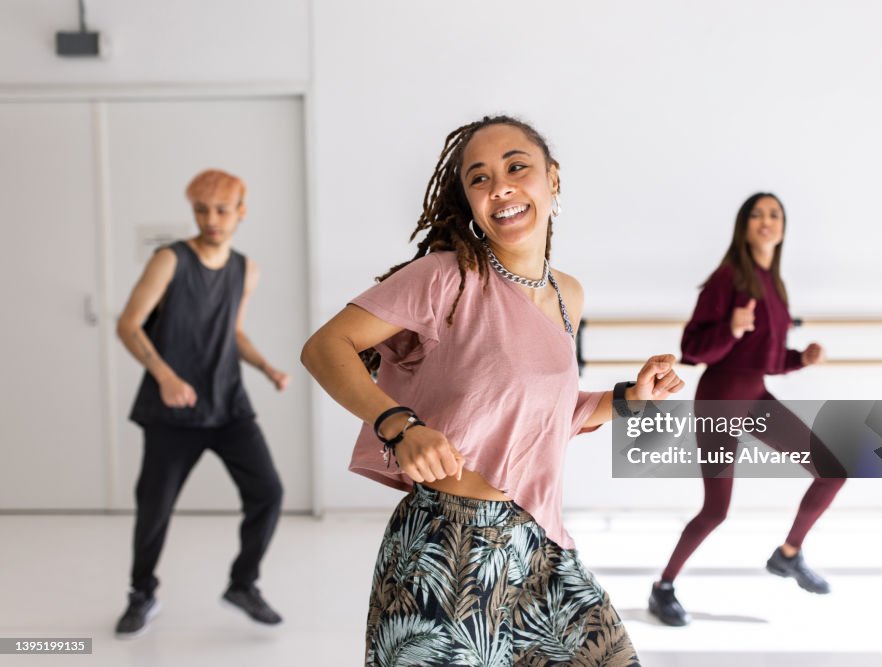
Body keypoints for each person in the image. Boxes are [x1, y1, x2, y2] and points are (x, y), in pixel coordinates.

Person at [302, 115, 683, 664]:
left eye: (516, 167)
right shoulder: (445, 278)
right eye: (478, 178)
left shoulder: (567, 294)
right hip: (446, 550)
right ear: (469, 200)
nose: (499, 185)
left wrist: (629, 397)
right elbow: (325, 347)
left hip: (538, 547)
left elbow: (542, 415)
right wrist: (399, 424)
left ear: (553, 180)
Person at [648, 192, 847, 627]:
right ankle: (663, 587)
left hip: (756, 397)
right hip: (719, 400)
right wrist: (731, 329)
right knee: (716, 511)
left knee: (833, 469)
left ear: (783, 227)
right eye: (757, 214)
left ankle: (788, 555)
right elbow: (693, 349)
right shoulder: (727, 278)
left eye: (775, 214)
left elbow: (769, 360)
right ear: (743, 225)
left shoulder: (774, 285)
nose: (766, 221)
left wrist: (802, 359)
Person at [114, 169, 288, 638]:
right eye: (201, 210)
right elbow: (128, 324)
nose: (211, 219)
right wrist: (166, 377)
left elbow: (233, 332)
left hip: (229, 404)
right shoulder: (169, 260)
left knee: (268, 493)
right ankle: (141, 593)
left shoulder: (245, 268)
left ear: (240, 211)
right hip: (172, 409)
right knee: (154, 507)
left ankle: (243, 584)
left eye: (221, 210)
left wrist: (267, 367)